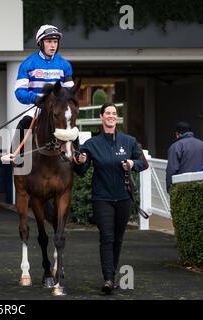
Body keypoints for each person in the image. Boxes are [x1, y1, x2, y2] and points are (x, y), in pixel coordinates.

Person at [75, 103, 149, 295]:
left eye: (114, 113)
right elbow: (82, 171)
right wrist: (80, 161)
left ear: (117, 117)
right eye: (107, 113)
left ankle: (113, 275)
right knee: (106, 238)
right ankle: (108, 279)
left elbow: (144, 163)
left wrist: (133, 163)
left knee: (118, 239)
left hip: (124, 198)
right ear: (101, 117)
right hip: (102, 198)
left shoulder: (129, 141)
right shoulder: (92, 144)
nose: (111, 116)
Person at [14, 25, 74, 144]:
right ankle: (14, 157)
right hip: (37, 106)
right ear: (40, 43)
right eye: (49, 41)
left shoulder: (65, 65)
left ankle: (76, 155)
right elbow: (19, 91)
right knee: (25, 122)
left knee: (71, 124)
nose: (53, 45)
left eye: (55, 42)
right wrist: (35, 98)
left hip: (58, 107)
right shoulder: (28, 64)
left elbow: (69, 90)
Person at [166, 121, 203, 193]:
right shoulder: (201, 144)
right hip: (200, 186)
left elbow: (172, 169)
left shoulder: (176, 146)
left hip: (183, 188)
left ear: (177, 134)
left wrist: (169, 188)